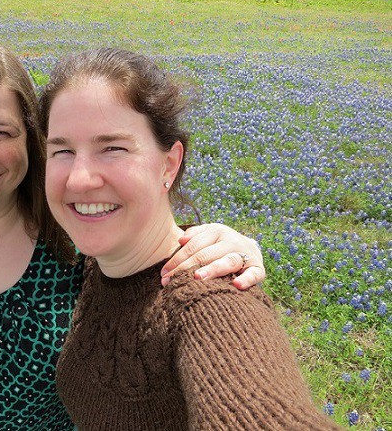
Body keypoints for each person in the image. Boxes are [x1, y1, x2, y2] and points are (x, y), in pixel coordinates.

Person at [0, 41, 266, 430]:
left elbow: (150, 258)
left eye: (0, 131)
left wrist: (223, 247)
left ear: (31, 143)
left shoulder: (77, 242)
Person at [41, 48, 343, 430]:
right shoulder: (91, 261)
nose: (79, 179)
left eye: (113, 148)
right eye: (62, 150)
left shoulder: (211, 305)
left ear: (169, 163)